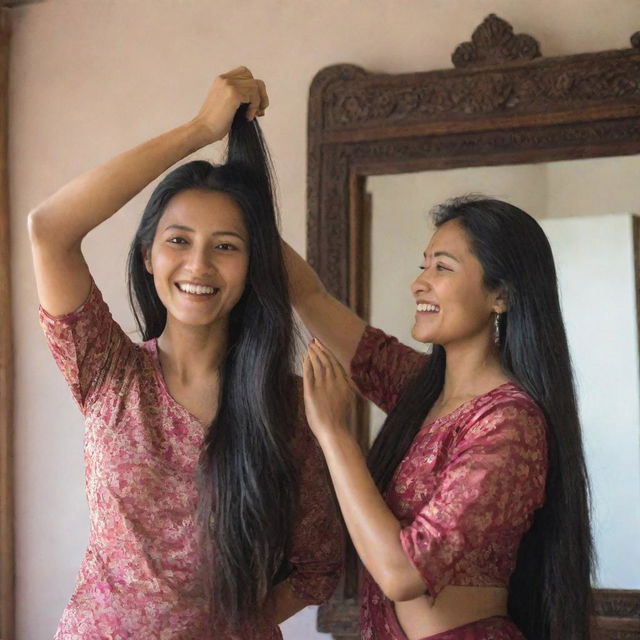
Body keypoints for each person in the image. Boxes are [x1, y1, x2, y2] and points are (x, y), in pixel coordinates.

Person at [28, 67, 342, 639]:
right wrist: (201, 129)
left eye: (226, 247)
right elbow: (50, 228)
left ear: (251, 269)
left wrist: (228, 625)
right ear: (148, 256)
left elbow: (319, 568)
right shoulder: (106, 369)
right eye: (178, 241)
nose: (198, 266)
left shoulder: (288, 407)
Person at [286, 196, 593, 640]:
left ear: (500, 295)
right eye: (423, 265)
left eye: (442, 268)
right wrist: (242, 191)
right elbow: (309, 294)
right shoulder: (422, 389)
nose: (418, 284)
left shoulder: (509, 424)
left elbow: (403, 573)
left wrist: (334, 434)